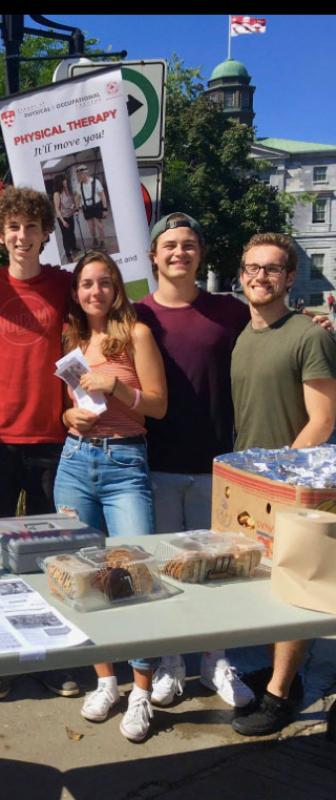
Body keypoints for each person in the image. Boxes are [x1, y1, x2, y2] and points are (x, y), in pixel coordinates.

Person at [0, 186, 79, 699]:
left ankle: (56, 654)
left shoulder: (65, 286)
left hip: (53, 435)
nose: (22, 236)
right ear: (0, 233)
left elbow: (108, 326)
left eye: (32, 227)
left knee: (55, 553)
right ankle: (1, 655)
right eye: (13, 227)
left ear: (46, 233)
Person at [136, 213, 256, 709]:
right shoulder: (137, 315)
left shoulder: (229, 312)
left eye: (188, 245)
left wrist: (308, 321)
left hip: (216, 464)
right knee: (165, 570)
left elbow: (272, 334)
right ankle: (170, 662)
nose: (178, 253)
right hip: (156, 463)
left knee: (215, 569)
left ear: (200, 254)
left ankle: (215, 658)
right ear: (153, 256)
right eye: (169, 245)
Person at [52, 250, 167, 743]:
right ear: (76, 292)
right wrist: (66, 418)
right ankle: (106, 679)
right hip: (75, 460)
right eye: (85, 284)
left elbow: (159, 407)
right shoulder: (73, 338)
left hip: (124, 463)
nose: (94, 291)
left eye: (103, 282)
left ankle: (141, 688)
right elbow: (70, 407)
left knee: (135, 572)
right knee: (82, 570)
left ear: (117, 287)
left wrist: (117, 387)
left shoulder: (137, 334)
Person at [229, 232, 336, 736]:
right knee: (266, 588)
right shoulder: (245, 335)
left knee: (294, 589)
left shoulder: (309, 336)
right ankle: (277, 673)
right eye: (252, 268)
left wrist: (281, 479)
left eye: (271, 269)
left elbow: (322, 419)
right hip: (252, 486)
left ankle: (280, 693)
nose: (259, 276)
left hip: (294, 488)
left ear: (290, 277)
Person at [75, 165, 108, 250]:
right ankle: (94, 239)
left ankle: (102, 242)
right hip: (86, 208)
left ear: (85, 173)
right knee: (91, 227)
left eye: (80, 174)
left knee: (99, 226)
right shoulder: (79, 186)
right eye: (78, 175)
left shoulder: (95, 182)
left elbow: (102, 196)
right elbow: (78, 198)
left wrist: (105, 209)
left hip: (97, 206)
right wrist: (76, 209)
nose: (79, 176)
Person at [52, 173, 79, 264]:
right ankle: (68, 254)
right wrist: (63, 221)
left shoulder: (67, 190)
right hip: (63, 217)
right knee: (66, 236)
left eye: (66, 180)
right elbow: (57, 209)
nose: (66, 181)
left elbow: (72, 201)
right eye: (64, 180)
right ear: (60, 181)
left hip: (70, 215)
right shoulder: (57, 194)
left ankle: (74, 248)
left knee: (72, 232)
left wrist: (74, 209)